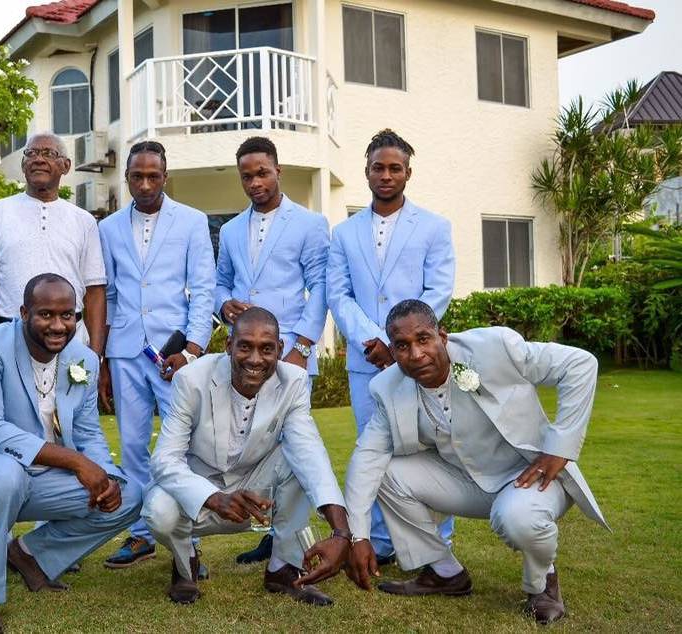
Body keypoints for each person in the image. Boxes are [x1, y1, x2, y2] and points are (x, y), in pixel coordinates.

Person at [344, 299, 607, 625]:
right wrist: (357, 536)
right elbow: (367, 457)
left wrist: (559, 448)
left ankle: (542, 585)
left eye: (423, 339)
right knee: (385, 471)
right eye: (402, 346)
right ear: (393, 351)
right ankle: (445, 572)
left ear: (442, 335)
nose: (415, 354)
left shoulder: (495, 347)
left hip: (529, 476)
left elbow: (580, 363)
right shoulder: (387, 387)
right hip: (464, 481)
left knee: (517, 518)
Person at [0, 273, 141, 633]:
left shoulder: (83, 360)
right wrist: (76, 462)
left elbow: (88, 434)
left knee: (131, 494)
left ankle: (29, 555)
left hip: (39, 479)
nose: (58, 326)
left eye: (68, 315)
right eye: (46, 315)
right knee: (4, 474)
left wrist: (103, 474)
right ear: (23, 312)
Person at [143, 308, 351, 606]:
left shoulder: (294, 381)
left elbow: (310, 452)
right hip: (199, 487)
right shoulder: (190, 379)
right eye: (245, 346)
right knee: (158, 511)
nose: (255, 359)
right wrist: (214, 497)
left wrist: (341, 532)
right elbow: (164, 459)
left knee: (297, 458)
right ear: (228, 346)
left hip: (255, 488)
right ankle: (184, 561)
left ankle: (283, 568)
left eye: (266, 348)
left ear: (280, 349)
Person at [327, 128, 455, 563]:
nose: (386, 174)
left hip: (418, 360)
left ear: (408, 172)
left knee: (430, 447)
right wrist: (374, 341)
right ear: (366, 172)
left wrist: (400, 342)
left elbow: (438, 290)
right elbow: (338, 295)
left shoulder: (435, 227)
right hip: (367, 363)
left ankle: (438, 547)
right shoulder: (344, 233)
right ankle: (381, 543)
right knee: (374, 450)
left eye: (394, 168)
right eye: (378, 167)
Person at [98, 140, 216, 568]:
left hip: (174, 356)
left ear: (166, 177)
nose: (145, 184)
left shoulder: (192, 222)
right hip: (127, 352)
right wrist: (106, 361)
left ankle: (188, 541)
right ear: (126, 177)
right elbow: (108, 296)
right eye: (136, 176)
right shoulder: (107, 228)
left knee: (181, 447)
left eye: (153, 176)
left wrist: (193, 349)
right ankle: (141, 533)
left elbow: (204, 290)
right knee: (131, 445)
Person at [215, 136, 331, 565]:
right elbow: (221, 281)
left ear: (278, 170)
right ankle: (268, 533)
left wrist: (302, 345)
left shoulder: (310, 223)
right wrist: (222, 303)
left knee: (295, 446)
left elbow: (320, 286)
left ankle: (292, 542)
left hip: (289, 352)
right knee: (255, 447)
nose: (254, 182)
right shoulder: (228, 230)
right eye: (246, 176)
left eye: (262, 173)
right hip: (246, 357)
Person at [0, 133, 107, 355]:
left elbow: (95, 290)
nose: (39, 159)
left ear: (66, 166)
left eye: (49, 153)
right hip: (8, 339)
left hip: (70, 340)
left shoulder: (83, 221)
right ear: (23, 164)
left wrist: (96, 356)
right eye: (31, 153)